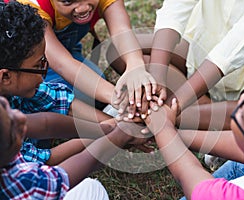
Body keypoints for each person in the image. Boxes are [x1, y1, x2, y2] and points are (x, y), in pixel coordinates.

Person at [111, 0, 244, 129]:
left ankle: (170, 115)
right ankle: (195, 109)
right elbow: (176, 8)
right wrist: (156, 75)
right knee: (120, 51)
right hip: (202, 50)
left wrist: (174, 105)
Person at [0, 0, 122, 164]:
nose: (42, 75)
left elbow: (58, 99)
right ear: (5, 77)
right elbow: (42, 160)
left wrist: (111, 124)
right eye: (39, 65)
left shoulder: (12, 78)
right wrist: (106, 134)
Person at [144, 74, 244, 199]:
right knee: (238, 166)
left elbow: (189, 176)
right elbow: (240, 147)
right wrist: (173, 134)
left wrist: (163, 129)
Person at [15, 0, 157, 111]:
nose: (81, 8)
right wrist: (117, 98)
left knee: (95, 86)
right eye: (67, 1)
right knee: (80, 97)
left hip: (65, 49)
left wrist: (135, 65)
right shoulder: (33, 8)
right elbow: (63, 63)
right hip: (30, 63)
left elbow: (121, 30)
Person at [0, 96, 150, 200]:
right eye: (14, 129)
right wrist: (121, 134)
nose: (20, 117)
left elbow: (46, 124)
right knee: (91, 190)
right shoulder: (20, 184)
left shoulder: (4, 151)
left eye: (7, 108)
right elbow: (85, 162)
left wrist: (108, 128)